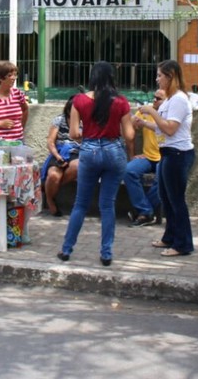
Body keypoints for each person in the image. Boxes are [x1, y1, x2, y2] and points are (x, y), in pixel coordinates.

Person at [57, 61, 135, 266]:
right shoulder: (121, 101)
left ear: (93, 77)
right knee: (107, 205)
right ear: (111, 77)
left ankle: (66, 249)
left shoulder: (79, 100)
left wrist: (90, 137)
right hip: (114, 151)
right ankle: (106, 253)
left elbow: (74, 133)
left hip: (89, 152)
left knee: (80, 204)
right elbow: (129, 135)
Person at [137, 59, 194, 257]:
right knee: (166, 198)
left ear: (171, 76)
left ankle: (183, 244)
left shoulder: (179, 99)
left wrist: (152, 111)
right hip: (167, 153)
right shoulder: (170, 99)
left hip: (178, 154)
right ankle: (169, 237)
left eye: (160, 75)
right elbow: (162, 127)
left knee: (176, 200)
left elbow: (170, 128)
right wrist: (145, 124)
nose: (157, 79)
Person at [126, 90, 165, 227]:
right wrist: (132, 155)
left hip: (164, 157)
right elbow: (131, 127)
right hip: (147, 157)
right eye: (154, 97)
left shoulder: (169, 115)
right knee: (129, 171)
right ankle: (145, 210)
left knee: (163, 179)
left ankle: (142, 212)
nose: (154, 100)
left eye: (158, 99)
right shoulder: (146, 112)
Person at [42, 96, 80, 217]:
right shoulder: (59, 120)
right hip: (59, 151)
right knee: (54, 175)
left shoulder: (86, 121)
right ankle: (50, 199)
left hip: (77, 151)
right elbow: (50, 142)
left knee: (77, 166)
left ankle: (48, 188)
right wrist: (58, 156)